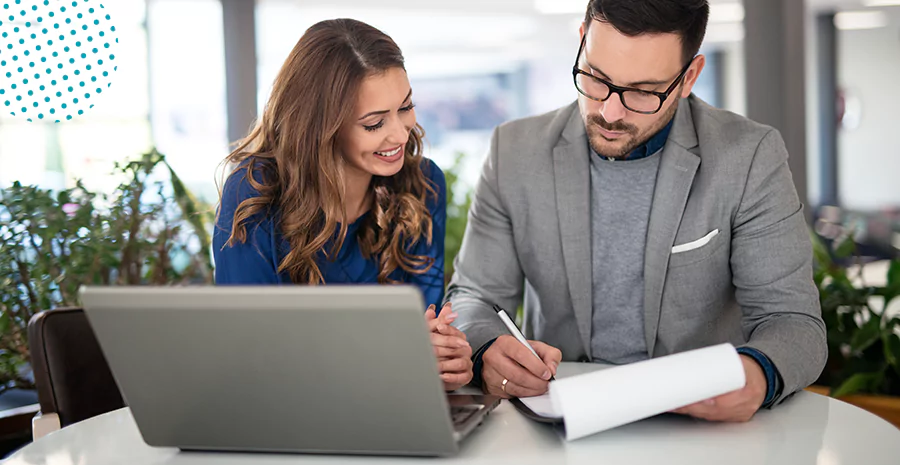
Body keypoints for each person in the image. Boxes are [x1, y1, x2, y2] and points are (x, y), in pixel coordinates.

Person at [447, 0, 826, 421]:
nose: (610, 112)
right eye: (595, 77)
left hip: (699, 431)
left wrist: (758, 372)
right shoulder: (513, 152)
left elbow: (793, 322)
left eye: (643, 92)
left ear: (689, 77)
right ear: (581, 43)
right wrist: (485, 349)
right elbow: (474, 297)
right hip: (558, 422)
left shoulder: (749, 156)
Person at [213, 18, 472, 391]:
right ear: (320, 126)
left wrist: (445, 358)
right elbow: (250, 355)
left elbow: (422, 330)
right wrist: (397, 354)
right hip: (290, 417)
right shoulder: (254, 194)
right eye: (373, 123)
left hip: (392, 406)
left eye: (406, 107)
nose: (400, 134)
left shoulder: (423, 185)